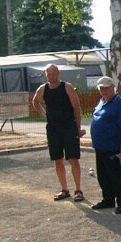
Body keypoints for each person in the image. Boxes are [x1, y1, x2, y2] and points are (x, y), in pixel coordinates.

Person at [32, 64, 86, 201]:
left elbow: (77, 107)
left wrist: (78, 128)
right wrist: (45, 116)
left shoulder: (67, 87)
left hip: (69, 127)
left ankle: (78, 190)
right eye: (49, 74)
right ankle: (64, 189)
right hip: (53, 129)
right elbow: (35, 102)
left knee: (73, 158)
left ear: (58, 73)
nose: (51, 76)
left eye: (54, 73)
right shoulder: (42, 89)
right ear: (46, 75)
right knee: (57, 159)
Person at [89, 76, 121, 214]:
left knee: (117, 176)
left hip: (113, 147)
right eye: (101, 88)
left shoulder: (120, 104)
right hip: (100, 147)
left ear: (113, 87)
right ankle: (108, 200)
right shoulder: (102, 102)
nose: (104, 91)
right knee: (103, 176)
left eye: (106, 88)